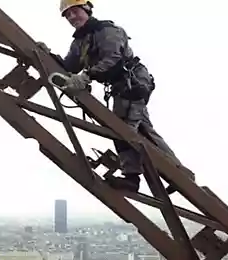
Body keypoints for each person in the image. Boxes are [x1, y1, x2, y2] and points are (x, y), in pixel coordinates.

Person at [38, 0, 195, 193]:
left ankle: (135, 178)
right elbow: (69, 67)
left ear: (87, 9)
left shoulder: (107, 31)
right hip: (122, 86)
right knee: (142, 130)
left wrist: (87, 76)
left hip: (132, 82)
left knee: (124, 130)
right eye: (67, 15)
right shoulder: (81, 41)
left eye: (75, 11)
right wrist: (48, 56)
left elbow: (113, 59)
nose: (72, 17)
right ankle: (178, 173)